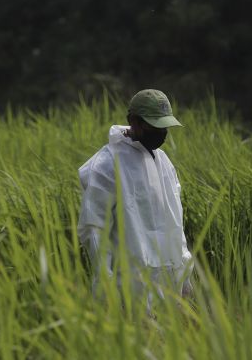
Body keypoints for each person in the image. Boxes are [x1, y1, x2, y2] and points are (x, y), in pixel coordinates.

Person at [77, 89, 194, 312]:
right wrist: (106, 282)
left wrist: (185, 275)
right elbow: (94, 230)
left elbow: (175, 224)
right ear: (133, 121)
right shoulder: (107, 165)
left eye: (164, 127)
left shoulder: (164, 162)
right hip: (127, 285)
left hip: (166, 286)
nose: (161, 133)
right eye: (154, 126)